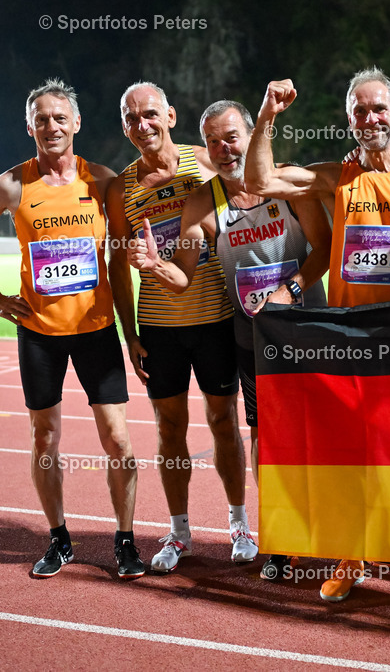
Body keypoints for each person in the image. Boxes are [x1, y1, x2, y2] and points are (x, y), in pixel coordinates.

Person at [246, 67, 390, 602]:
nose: (370, 118)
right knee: (354, 453)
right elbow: (258, 181)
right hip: (352, 338)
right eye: (359, 111)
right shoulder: (335, 177)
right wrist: (267, 116)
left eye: (378, 108)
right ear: (349, 120)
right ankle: (354, 552)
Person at [127, 99, 332, 581]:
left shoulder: (288, 181)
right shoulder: (203, 202)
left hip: (312, 331)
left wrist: (289, 290)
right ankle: (283, 538)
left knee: (327, 433)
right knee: (266, 438)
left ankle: (343, 537)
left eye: (232, 136)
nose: (224, 148)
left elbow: (323, 248)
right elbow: (183, 275)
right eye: (214, 140)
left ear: (251, 136)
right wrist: (154, 265)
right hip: (253, 339)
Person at [0, 77, 144, 580]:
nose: (51, 126)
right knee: (44, 437)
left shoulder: (102, 182)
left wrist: (131, 331)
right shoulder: (11, 186)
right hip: (39, 332)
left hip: (97, 329)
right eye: (42, 119)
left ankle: (125, 541)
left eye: (60, 117)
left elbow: (120, 263)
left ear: (77, 124)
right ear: (30, 126)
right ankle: (59, 538)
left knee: (119, 440)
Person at [106, 82, 257, 573]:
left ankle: (239, 525)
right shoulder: (121, 188)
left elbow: (255, 195)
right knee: (169, 429)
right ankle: (179, 532)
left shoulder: (208, 159)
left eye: (150, 114)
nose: (142, 125)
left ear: (171, 114)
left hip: (215, 318)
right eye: (131, 119)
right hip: (159, 326)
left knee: (223, 425)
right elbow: (115, 267)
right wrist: (129, 334)